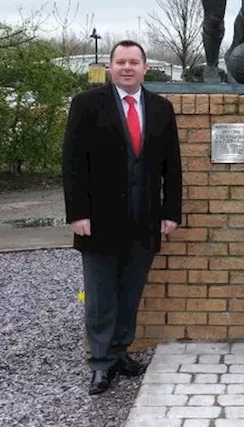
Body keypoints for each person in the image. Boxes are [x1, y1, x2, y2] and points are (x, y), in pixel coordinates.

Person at [62, 40, 183, 395]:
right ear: (110, 67)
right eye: (120, 62)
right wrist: (78, 214)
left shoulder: (161, 108)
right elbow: (72, 164)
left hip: (143, 220)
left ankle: (120, 353)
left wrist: (171, 212)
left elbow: (171, 166)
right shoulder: (86, 104)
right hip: (98, 221)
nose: (127, 67)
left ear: (145, 67)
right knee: (100, 296)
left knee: (130, 293)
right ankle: (100, 364)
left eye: (134, 62)